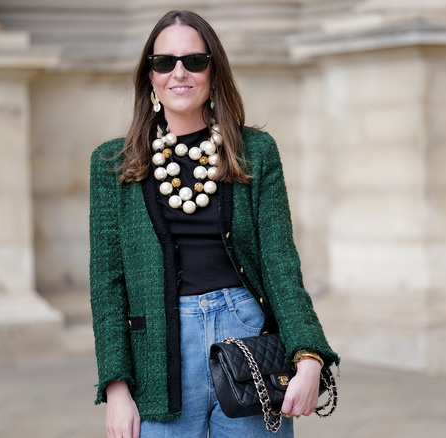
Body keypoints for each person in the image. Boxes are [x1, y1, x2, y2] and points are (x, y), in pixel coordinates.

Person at [89, 9, 339, 438]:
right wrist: (116, 388)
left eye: (194, 61)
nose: (179, 73)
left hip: (246, 340)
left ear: (213, 70)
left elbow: (280, 262)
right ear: (149, 76)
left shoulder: (255, 151)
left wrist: (309, 356)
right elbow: (108, 286)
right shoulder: (112, 164)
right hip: (158, 353)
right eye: (164, 62)